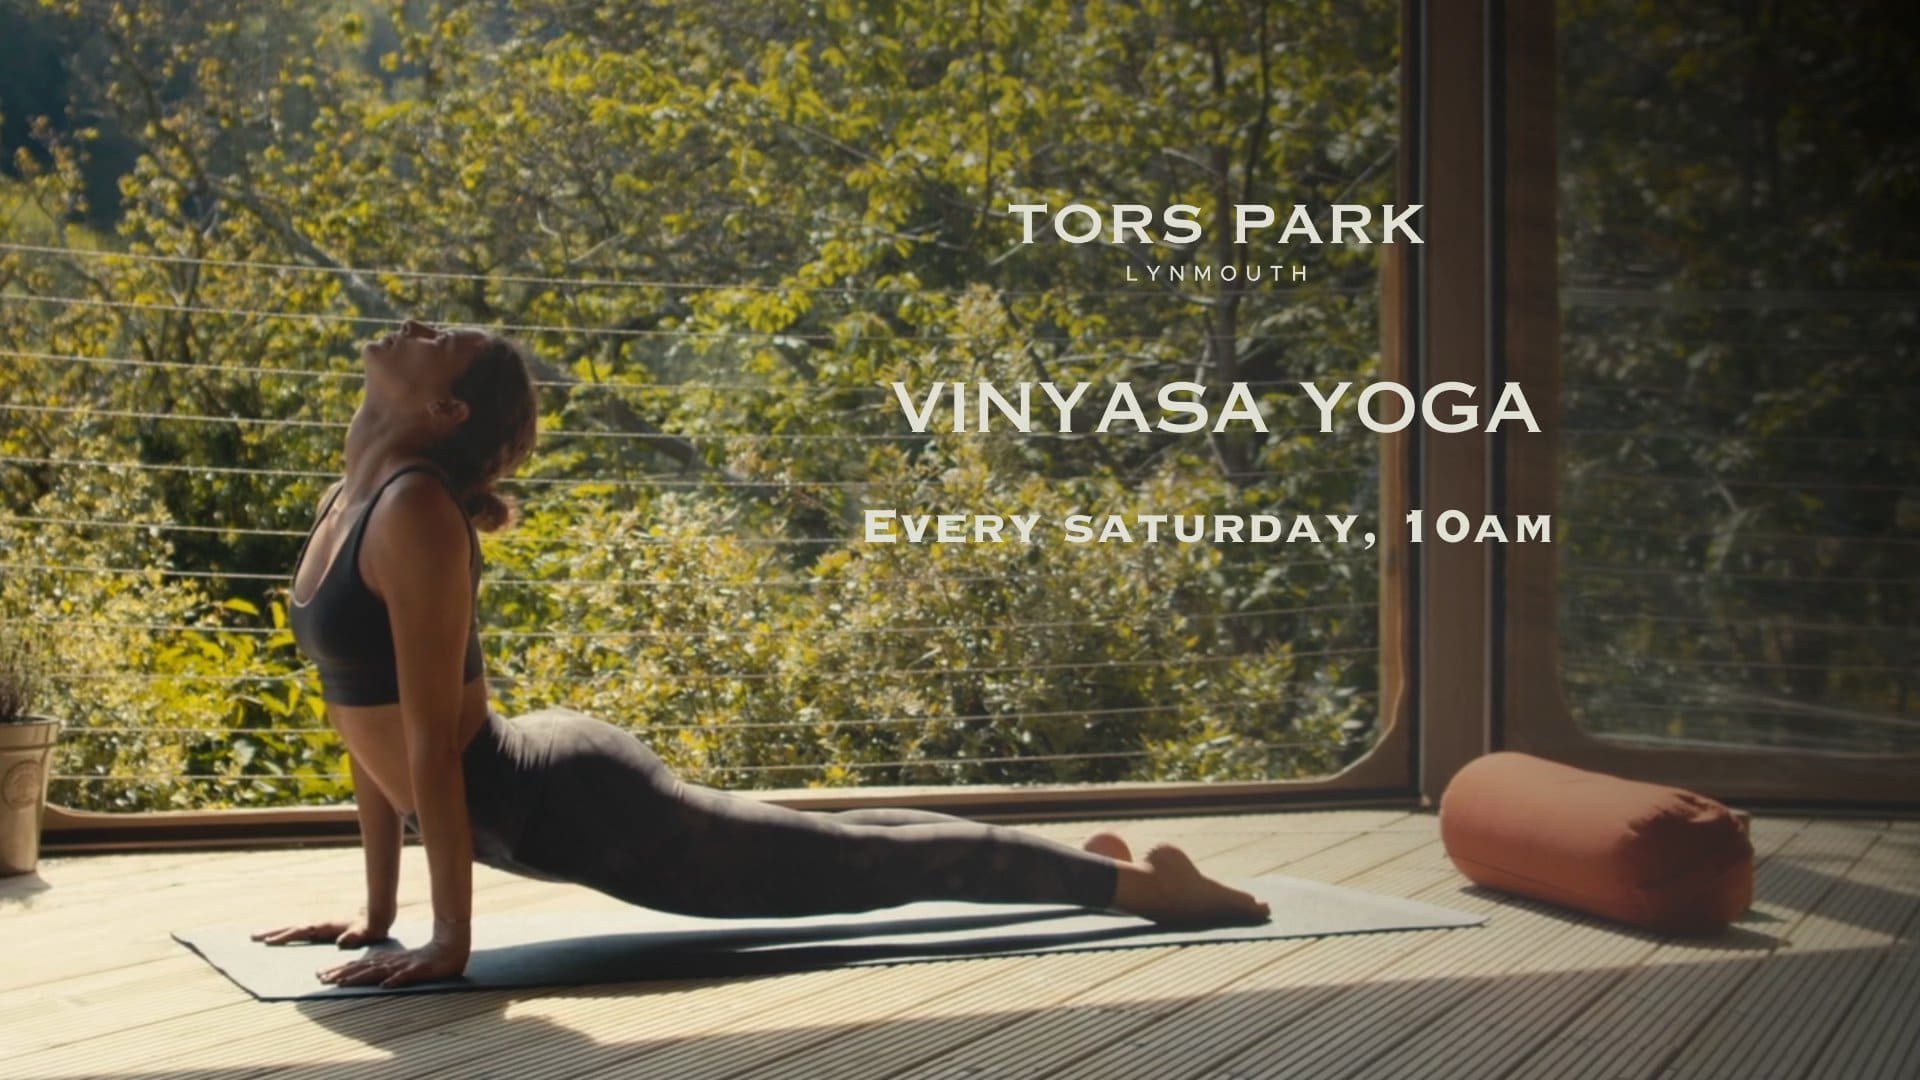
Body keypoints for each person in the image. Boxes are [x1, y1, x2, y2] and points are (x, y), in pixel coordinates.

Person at [251, 318, 1270, 989]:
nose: (416, 326)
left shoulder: (415, 513)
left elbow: (430, 749)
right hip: (532, 780)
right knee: (828, 839)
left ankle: (1148, 892)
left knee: (856, 862)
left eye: (440, 338)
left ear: (446, 411)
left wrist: (450, 944)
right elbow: (364, 722)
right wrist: (378, 915)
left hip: (574, 808)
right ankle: (1082, 866)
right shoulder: (354, 505)